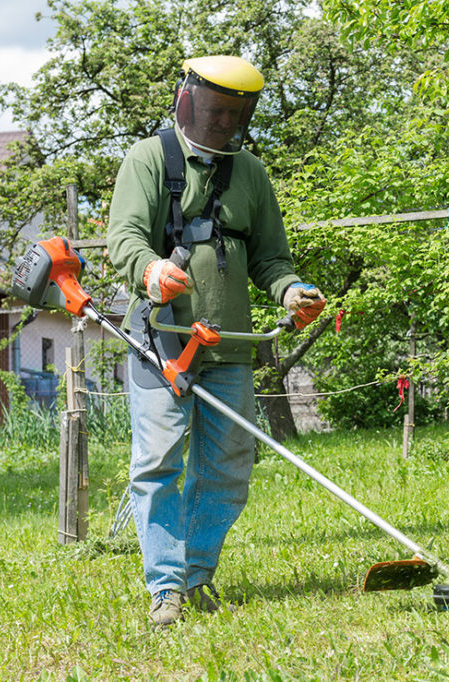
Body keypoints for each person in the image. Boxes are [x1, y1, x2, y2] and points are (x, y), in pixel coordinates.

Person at [107, 55, 325, 628]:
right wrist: (151, 270)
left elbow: (271, 258)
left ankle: (197, 576)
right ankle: (165, 588)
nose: (226, 123)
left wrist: (292, 291)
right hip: (163, 340)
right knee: (156, 464)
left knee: (227, 468)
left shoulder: (250, 172)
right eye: (217, 111)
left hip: (229, 343)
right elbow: (124, 237)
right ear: (188, 101)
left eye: (237, 113)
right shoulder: (148, 159)